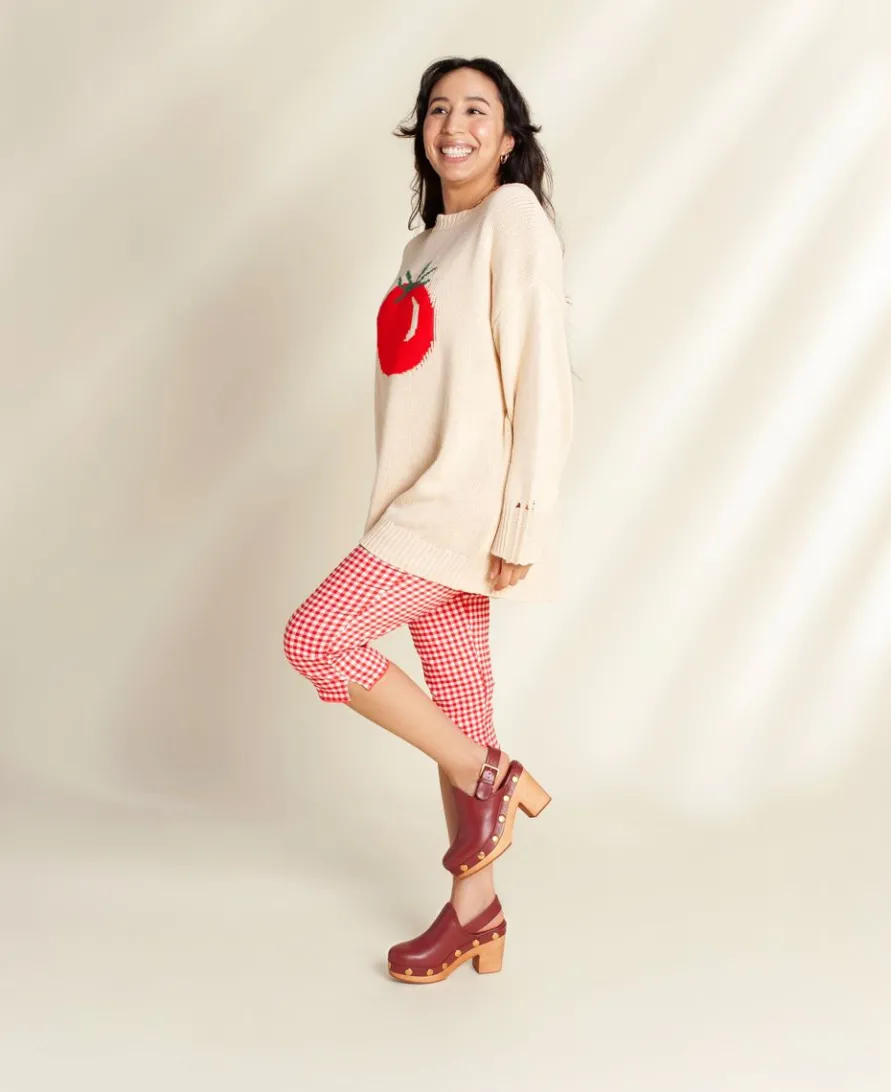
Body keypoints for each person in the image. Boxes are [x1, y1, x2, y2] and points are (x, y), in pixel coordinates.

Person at [283, 56, 574, 983]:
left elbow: (542, 377)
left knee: (317, 638)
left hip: (460, 506)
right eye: (439, 109)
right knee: (460, 707)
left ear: (509, 137)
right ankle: (475, 918)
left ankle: (492, 777)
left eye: (476, 110)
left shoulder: (512, 218)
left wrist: (522, 518)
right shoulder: (426, 246)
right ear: (422, 132)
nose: (455, 125)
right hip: (418, 499)